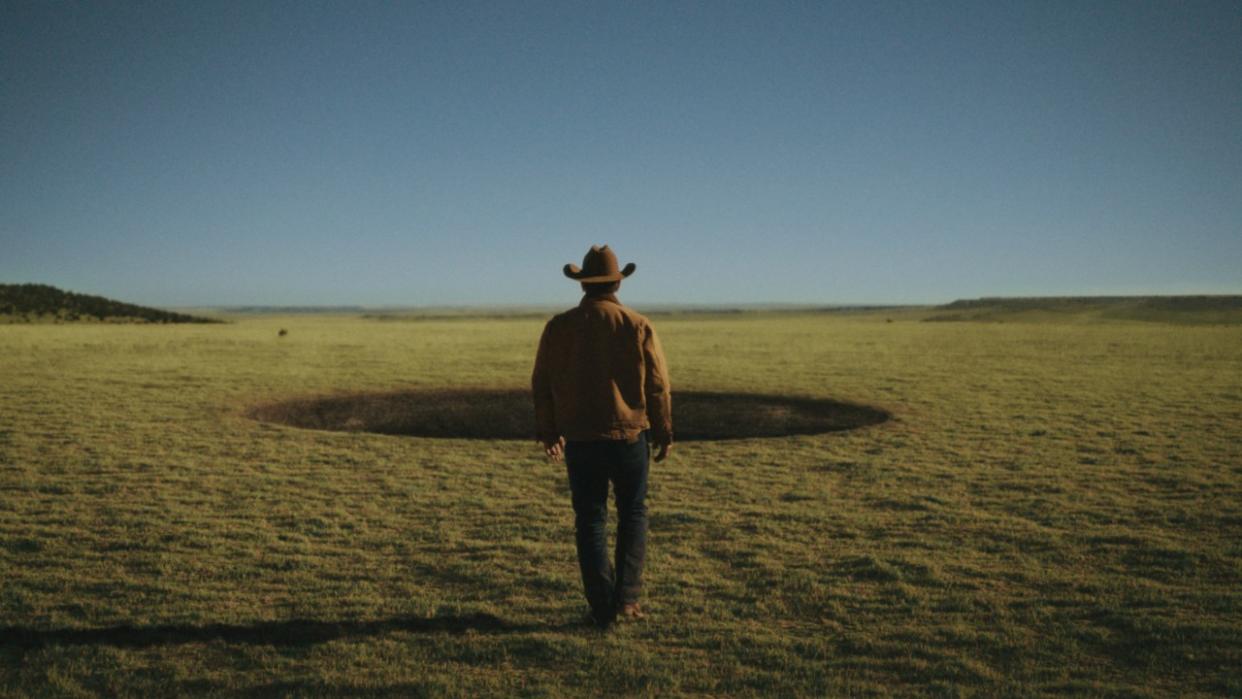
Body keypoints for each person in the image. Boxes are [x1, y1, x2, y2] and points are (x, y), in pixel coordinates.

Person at [531, 244, 673, 628]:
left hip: (581, 439)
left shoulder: (558, 327)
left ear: (582, 286)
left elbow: (542, 383)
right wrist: (663, 430)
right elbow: (658, 385)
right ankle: (626, 601)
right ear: (616, 283)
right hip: (630, 438)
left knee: (590, 520)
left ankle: (600, 609)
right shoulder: (637, 324)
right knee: (633, 514)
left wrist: (549, 431)